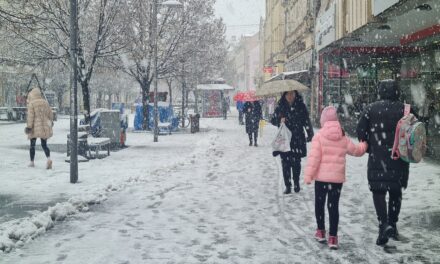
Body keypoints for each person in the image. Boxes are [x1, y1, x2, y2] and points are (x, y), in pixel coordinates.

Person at [304, 106, 368, 249]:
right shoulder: (342, 136)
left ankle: (320, 231)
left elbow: (314, 159)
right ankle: (333, 237)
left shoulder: (319, 136)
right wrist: (365, 145)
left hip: (321, 179)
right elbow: (356, 151)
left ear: (323, 121)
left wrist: (308, 176)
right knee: (333, 207)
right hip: (337, 180)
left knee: (319, 205)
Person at [356, 79, 410, 246]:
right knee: (395, 191)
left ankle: (383, 224)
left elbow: (360, 131)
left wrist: (370, 143)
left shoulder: (370, 108)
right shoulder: (405, 109)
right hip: (398, 157)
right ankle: (393, 224)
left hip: (377, 158)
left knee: (378, 191)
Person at [271, 90, 314, 194]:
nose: (290, 96)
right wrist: (279, 120)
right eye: (288, 94)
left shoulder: (301, 106)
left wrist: (310, 133)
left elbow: (306, 120)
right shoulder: (280, 106)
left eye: (292, 94)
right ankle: (288, 185)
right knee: (285, 163)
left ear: (295, 94)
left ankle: (296, 183)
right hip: (285, 139)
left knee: (296, 163)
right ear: (284, 95)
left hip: (297, 138)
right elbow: (272, 120)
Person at [25, 87, 53, 169]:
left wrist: (29, 127)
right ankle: (48, 159)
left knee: (32, 145)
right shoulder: (45, 102)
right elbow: (50, 114)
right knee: (44, 145)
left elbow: (30, 117)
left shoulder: (32, 103)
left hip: (34, 127)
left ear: (32, 94)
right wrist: (50, 122)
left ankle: (32, 162)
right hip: (44, 127)